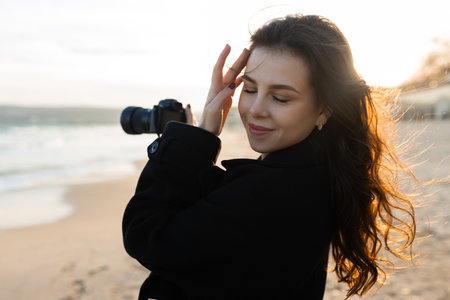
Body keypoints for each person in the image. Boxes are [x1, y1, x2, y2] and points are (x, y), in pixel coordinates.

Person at [122, 14, 417, 299]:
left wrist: (196, 141)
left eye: (280, 97)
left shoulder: (274, 191)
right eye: (249, 89)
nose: (255, 109)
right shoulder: (317, 174)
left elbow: (147, 233)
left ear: (324, 109)